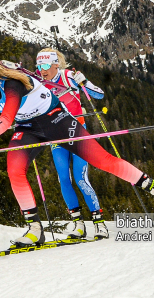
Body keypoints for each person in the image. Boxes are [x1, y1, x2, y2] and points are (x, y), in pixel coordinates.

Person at [0, 51, 154, 247]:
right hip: (27, 127)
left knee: (101, 160)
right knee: (14, 168)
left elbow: (5, 121)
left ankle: (152, 186)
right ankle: (34, 229)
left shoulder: (13, 84)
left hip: (56, 119)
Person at [35, 48, 108, 240]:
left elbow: (99, 95)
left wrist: (83, 81)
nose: (41, 70)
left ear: (55, 64)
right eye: (38, 66)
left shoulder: (68, 77)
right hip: (56, 138)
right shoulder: (38, 82)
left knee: (81, 179)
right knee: (63, 179)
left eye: (44, 66)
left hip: (77, 134)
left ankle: (99, 224)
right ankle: (78, 224)